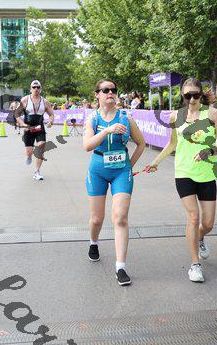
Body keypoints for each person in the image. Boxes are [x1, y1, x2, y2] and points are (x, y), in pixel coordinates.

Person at [145, 78, 217, 283]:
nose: (191, 99)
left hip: (206, 174)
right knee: (193, 217)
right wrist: (155, 162)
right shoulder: (176, 116)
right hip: (183, 173)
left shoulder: (212, 114)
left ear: (201, 94)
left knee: (208, 223)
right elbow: (172, 143)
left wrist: (209, 151)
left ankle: (200, 237)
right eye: (188, 95)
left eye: (195, 95)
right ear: (182, 95)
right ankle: (195, 264)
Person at [83, 79, 146, 286]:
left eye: (113, 90)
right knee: (97, 219)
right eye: (105, 90)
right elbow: (87, 145)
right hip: (98, 171)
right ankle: (93, 242)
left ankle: (120, 267)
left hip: (121, 171)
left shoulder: (126, 118)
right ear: (97, 94)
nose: (110, 92)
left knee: (120, 217)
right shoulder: (92, 119)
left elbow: (141, 143)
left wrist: (129, 166)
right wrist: (107, 131)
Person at [15, 80, 54, 180]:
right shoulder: (25, 100)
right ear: (30, 89)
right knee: (29, 151)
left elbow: (51, 114)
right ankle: (29, 156)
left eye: (38, 87)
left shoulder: (45, 102)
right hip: (28, 129)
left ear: (40, 89)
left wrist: (50, 122)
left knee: (41, 147)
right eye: (34, 87)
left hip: (39, 128)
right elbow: (17, 114)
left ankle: (37, 171)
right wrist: (23, 124)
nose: (36, 89)